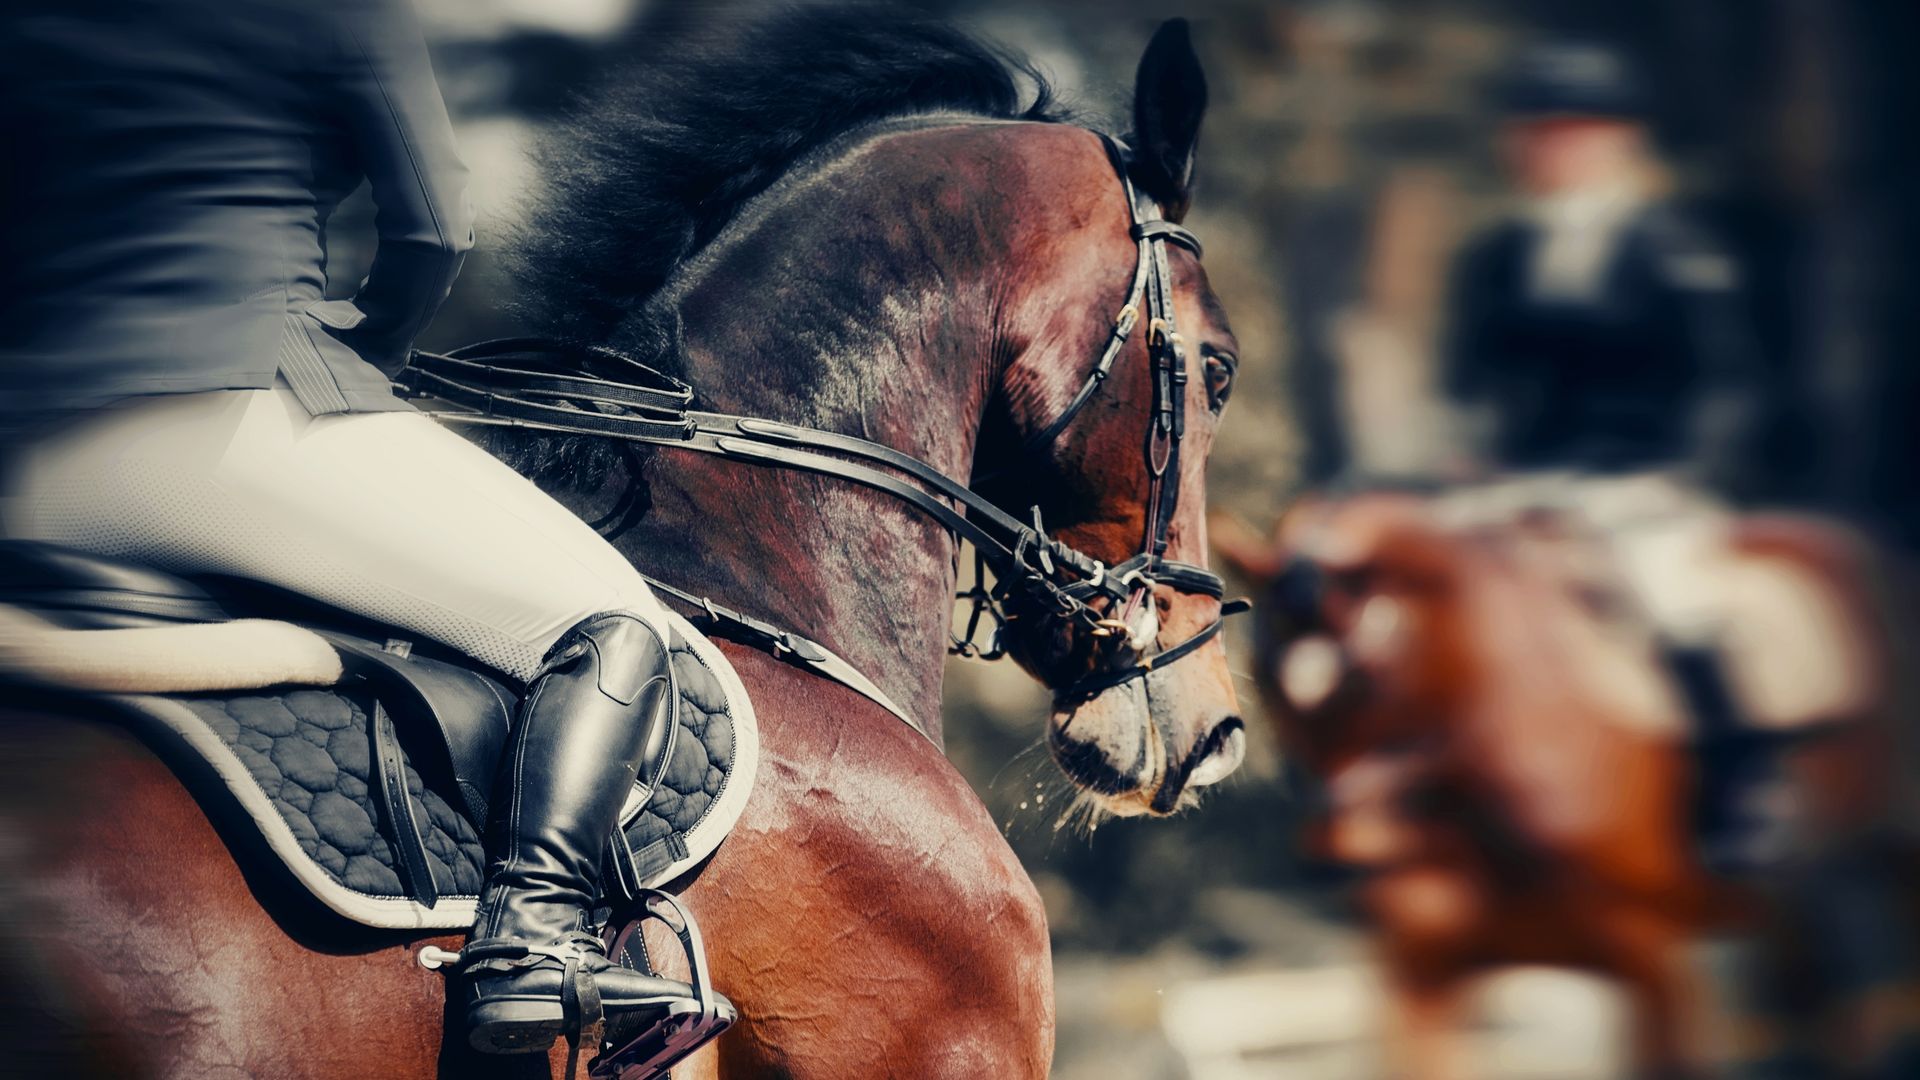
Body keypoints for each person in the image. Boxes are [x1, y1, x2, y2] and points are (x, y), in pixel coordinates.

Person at [0, 0, 706, 1053]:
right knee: (607, 624)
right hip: (222, 415)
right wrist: (363, 357)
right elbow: (431, 228)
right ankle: (533, 943)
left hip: (22, 462)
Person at [1439, 40, 1781, 871]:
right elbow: (1469, 381)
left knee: (1667, 596)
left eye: (1573, 131)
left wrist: (1680, 473)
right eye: (1538, 131)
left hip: (1642, 479)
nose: (1552, 149)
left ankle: (1739, 782)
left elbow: (1725, 382)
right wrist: (1471, 454)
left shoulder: (1673, 249)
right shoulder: (1495, 255)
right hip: (1527, 480)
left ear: (1620, 139)